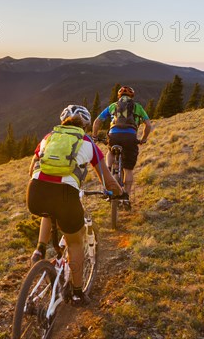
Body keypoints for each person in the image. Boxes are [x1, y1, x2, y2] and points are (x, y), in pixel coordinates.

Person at [27, 105, 122, 306]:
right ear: (85, 125)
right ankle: (77, 293)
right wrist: (120, 193)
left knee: (49, 209)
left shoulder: (48, 137)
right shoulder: (87, 142)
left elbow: (31, 168)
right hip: (66, 196)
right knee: (75, 242)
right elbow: (108, 181)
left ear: (63, 122)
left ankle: (39, 249)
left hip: (35, 193)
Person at [92, 86, 152, 208]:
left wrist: (94, 136)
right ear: (132, 96)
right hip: (130, 137)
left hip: (114, 135)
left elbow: (97, 121)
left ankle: (108, 170)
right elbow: (148, 125)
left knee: (110, 150)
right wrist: (144, 139)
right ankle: (126, 198)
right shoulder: (138, 107)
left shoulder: (113, 106)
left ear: (119, 97)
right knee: (128, 169)